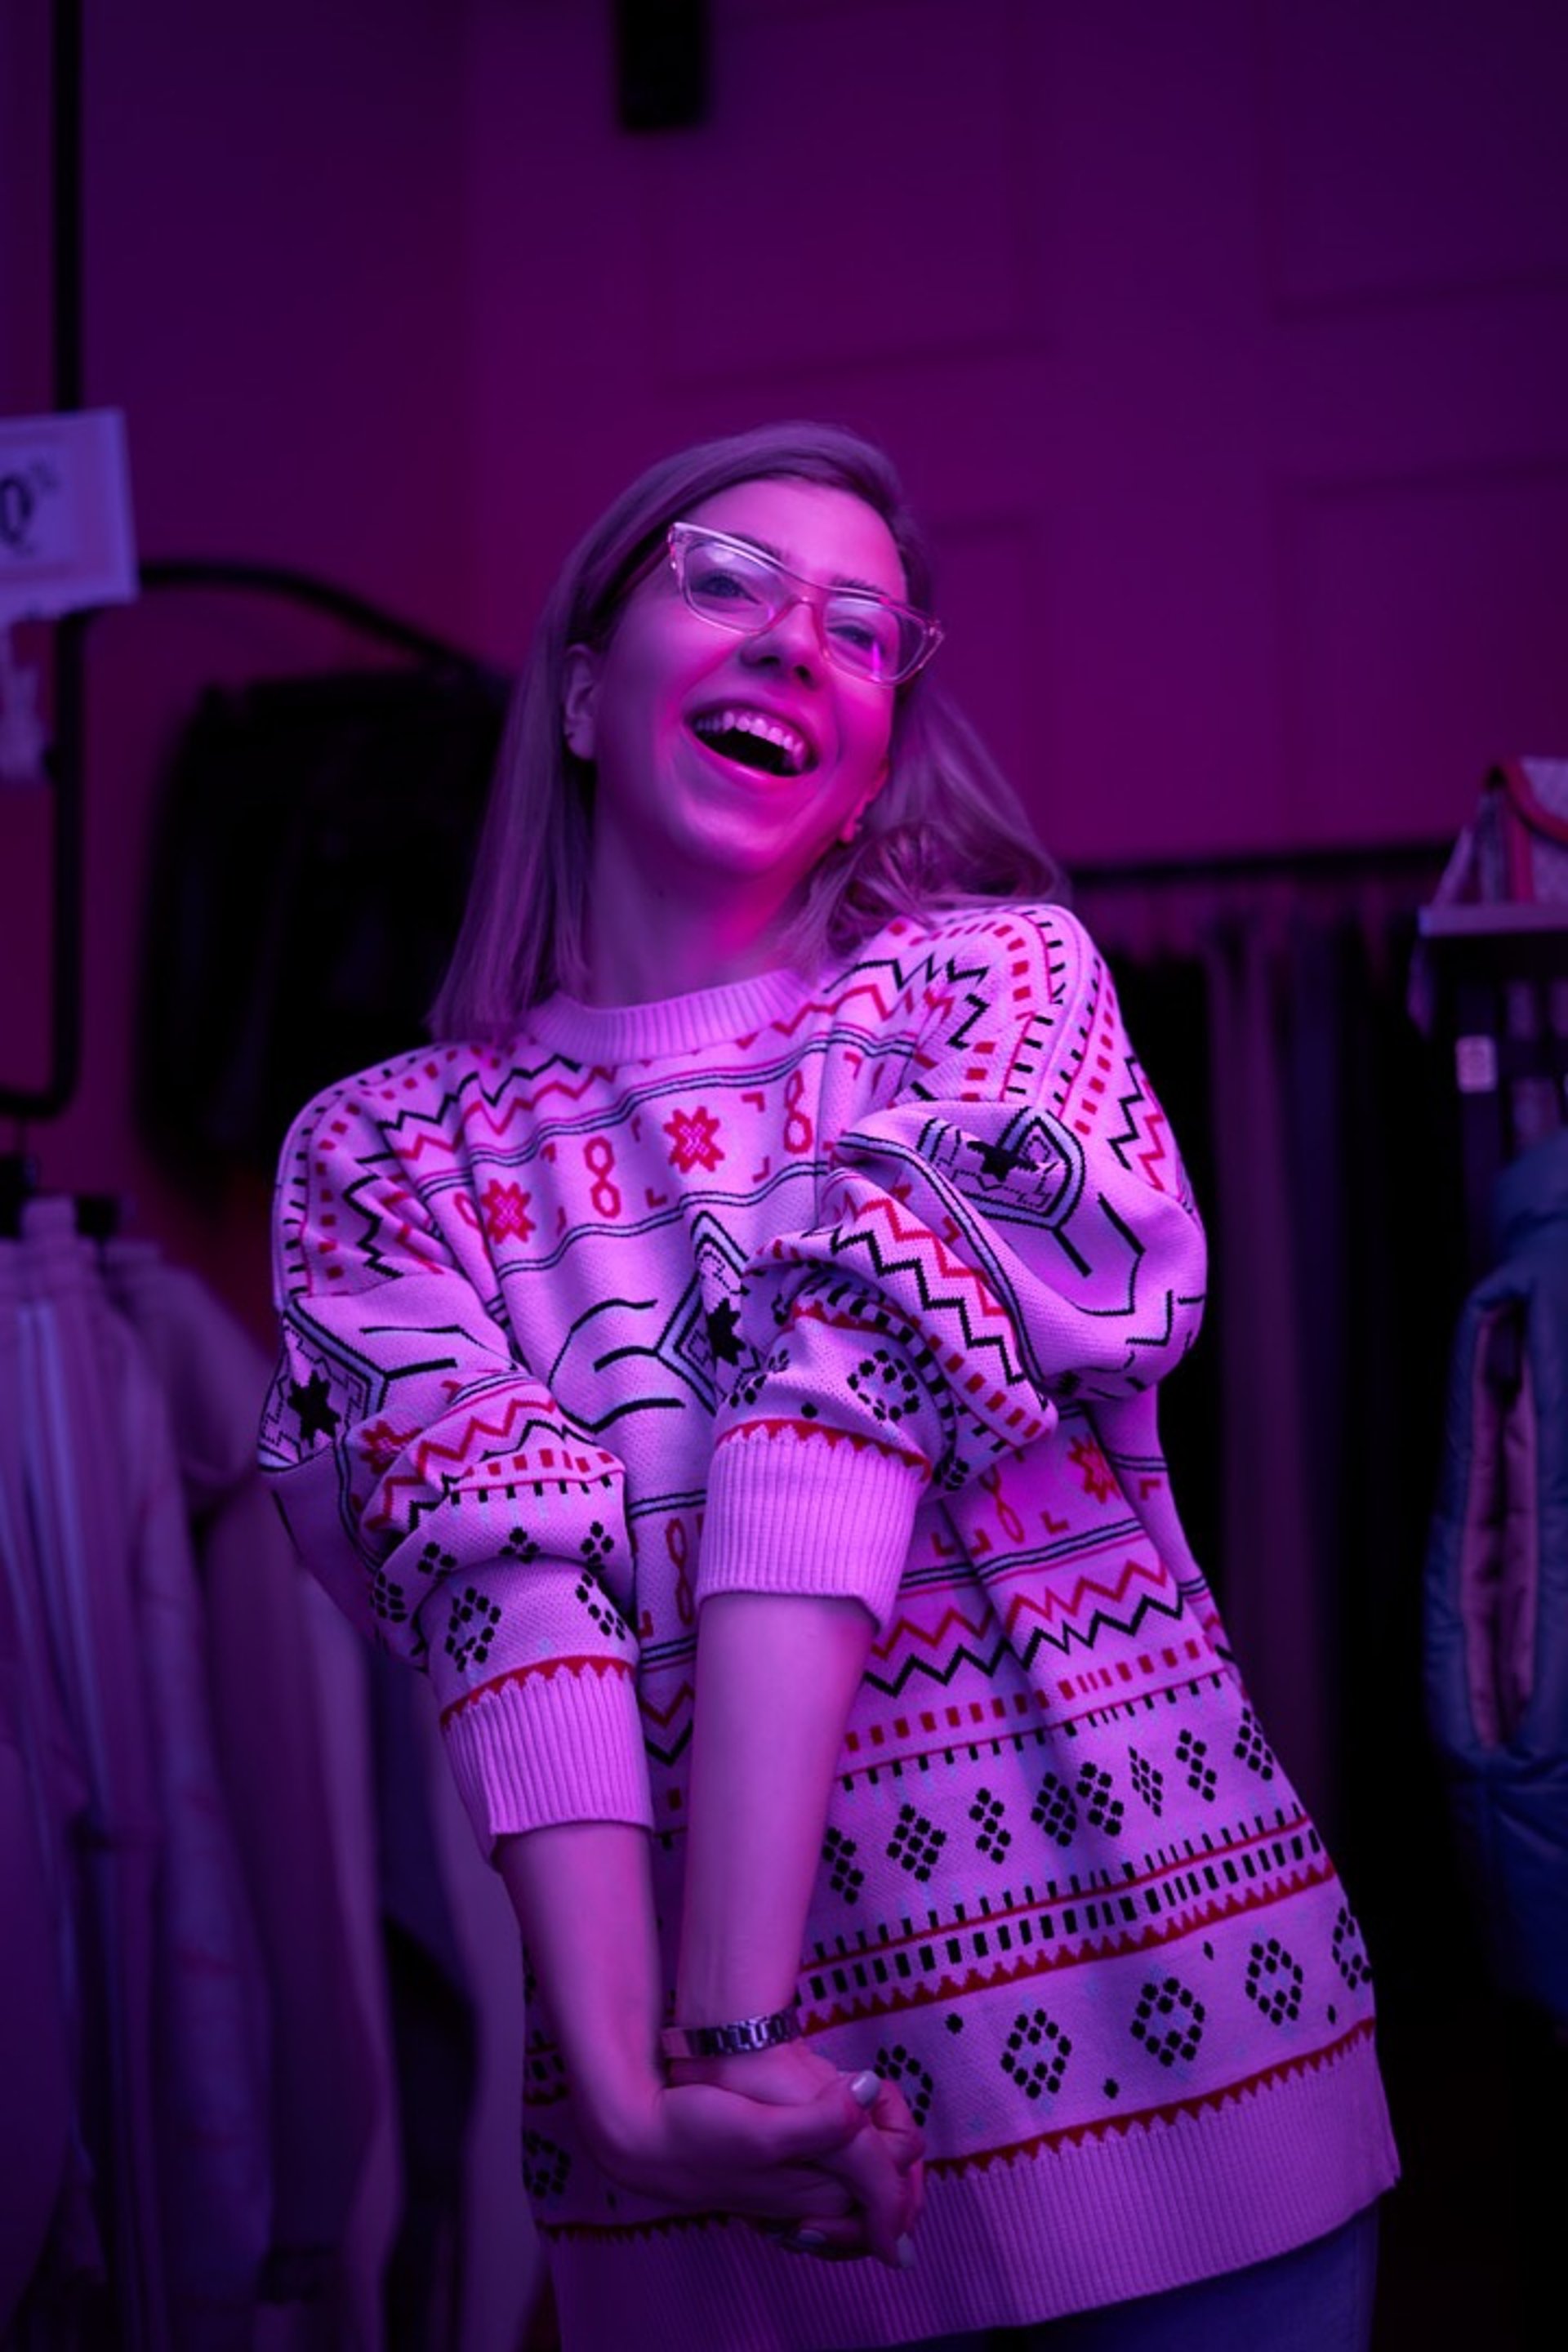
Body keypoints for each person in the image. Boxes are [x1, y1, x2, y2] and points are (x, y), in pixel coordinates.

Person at [260, 421, 1398, 2350]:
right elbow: (508, 1598)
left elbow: (838, 1412)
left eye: (863, 630)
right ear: (583, 697)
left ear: (873, 768)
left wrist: (728, 2022)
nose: (798, 639)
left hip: (1184, 2078)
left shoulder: (996, 990)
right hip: (708, 2200)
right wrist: (640, 2103)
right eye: (725, 580)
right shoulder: (385, 1157)